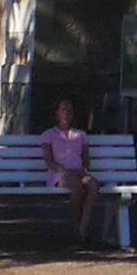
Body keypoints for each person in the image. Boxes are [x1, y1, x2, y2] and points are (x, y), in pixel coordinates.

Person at [39, 96, 100, 244]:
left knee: (93, 184)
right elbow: (48, 160)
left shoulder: (80, 135)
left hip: (79, 172)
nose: (66, 113)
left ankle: (82, 228)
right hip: (60, 174)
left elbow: (86, 157)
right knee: (76, 187)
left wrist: (85, 170)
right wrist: (63, 170)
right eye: (63, 110)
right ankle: (76, 226)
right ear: (57, 113)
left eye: (69, 110)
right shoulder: (49, 134)